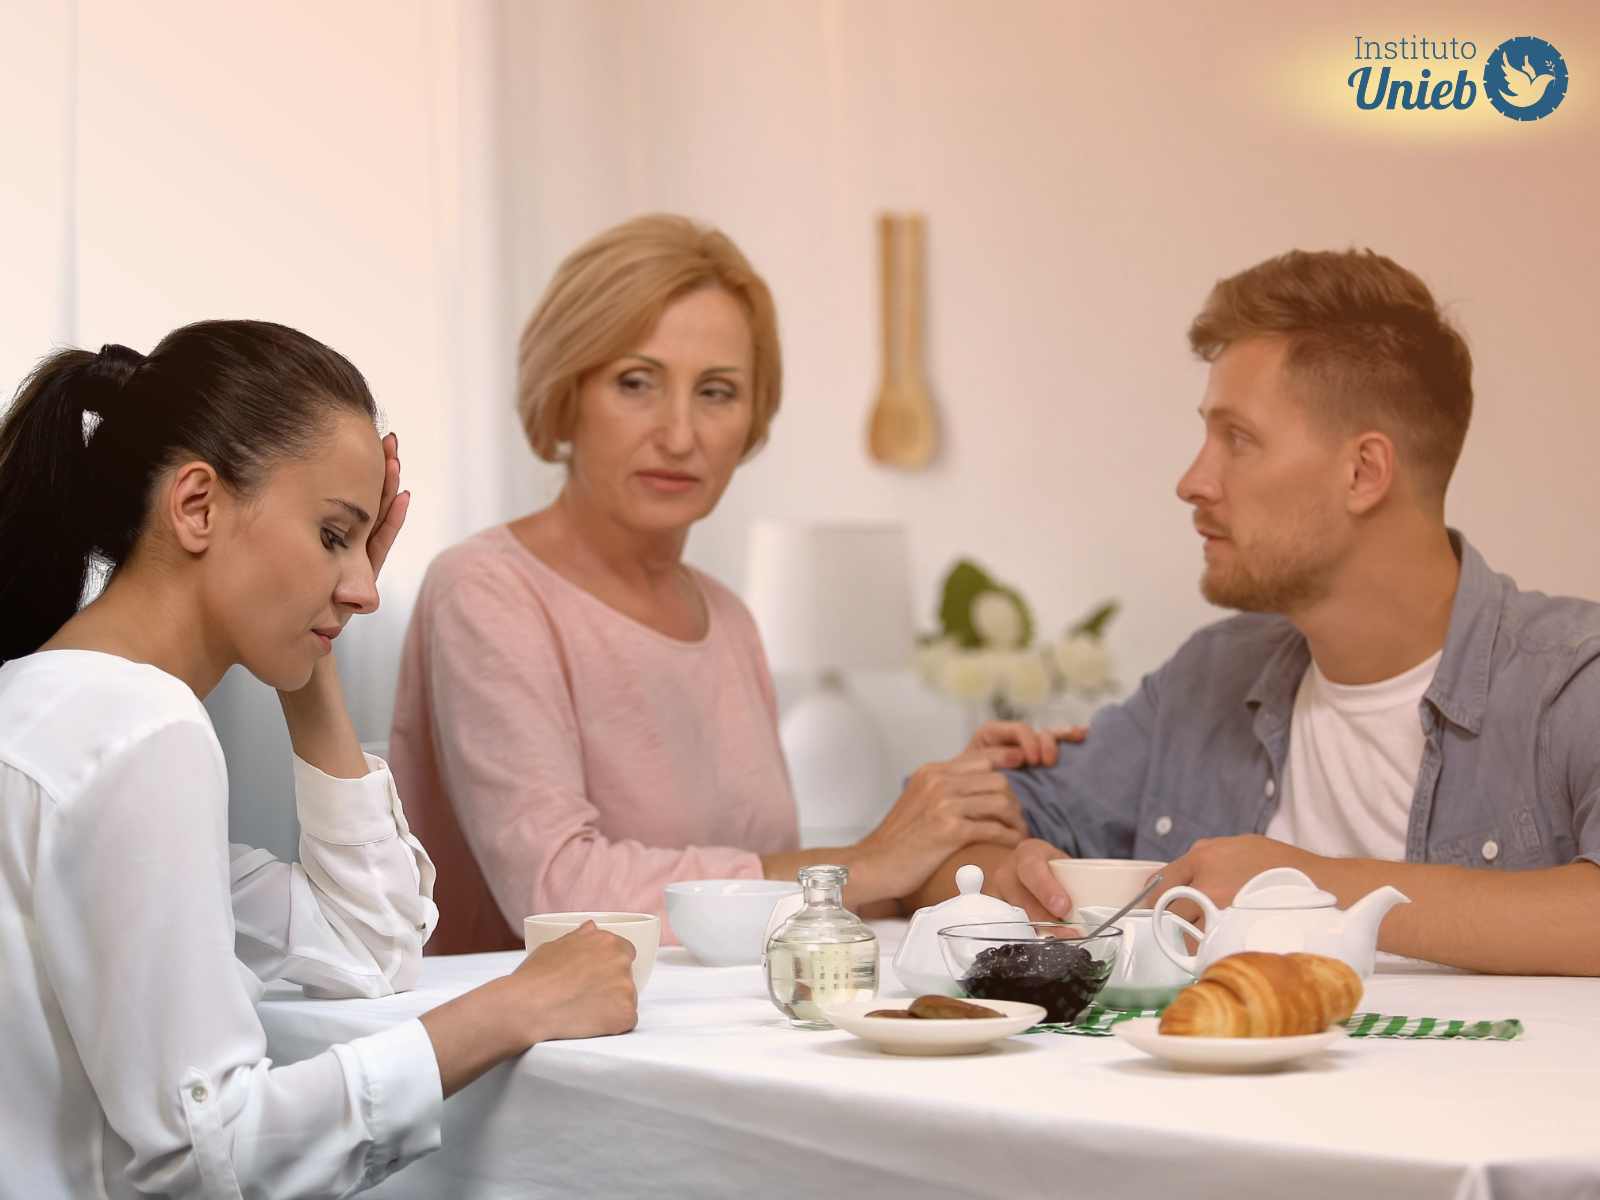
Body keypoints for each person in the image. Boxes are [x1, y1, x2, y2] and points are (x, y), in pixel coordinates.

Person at [0, 321, 637, 1200]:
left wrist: (312, 652)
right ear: (196, 506)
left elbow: (365, 949)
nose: (368, 587)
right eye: (336, 535)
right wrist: (514, 1007)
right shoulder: (142, 734)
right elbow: (205, 1158)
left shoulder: (44, 709)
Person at [906, 248, 1600, 976]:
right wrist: (1027, 882)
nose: (1192, 481)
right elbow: (939, 845)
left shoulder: (1573, 681)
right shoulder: (1210, 676)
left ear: (1363, 472)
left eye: (1238, 439)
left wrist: (1297, 888)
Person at [391, 214, 1062, 953]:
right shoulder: (484, 591)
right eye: (636, 382)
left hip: (722, 1038)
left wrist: (954, 806)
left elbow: (772, 906)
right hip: (547, 1057)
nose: (680, 435)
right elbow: (559, 895)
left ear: (751, 418)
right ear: (565, 392)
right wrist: (866, 863)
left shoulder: (728, 619)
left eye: (716, 392)